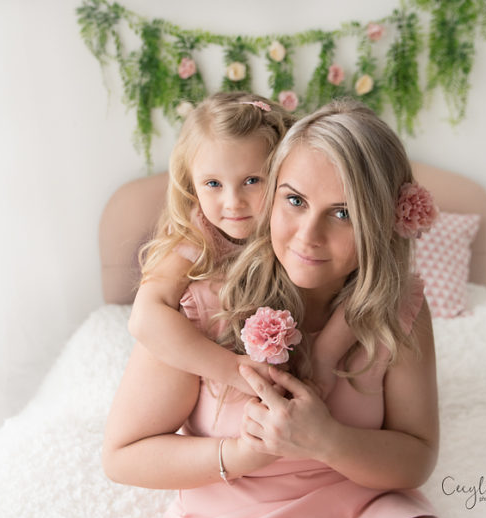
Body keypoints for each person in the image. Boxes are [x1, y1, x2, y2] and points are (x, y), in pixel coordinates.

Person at [103, 99, 456, 518]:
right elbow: (123, 457)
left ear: (383, 222)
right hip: (235, 517)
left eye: (343, 212)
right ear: (272, 195)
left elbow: (416, 458)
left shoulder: (398, 306)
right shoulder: (195, 302)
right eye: (295, 200)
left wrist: (327, 440)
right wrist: (240, 454)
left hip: (369, 507)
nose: (308, 235)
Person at [127, 91, 352, 395]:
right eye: (213, 184)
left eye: (251, 181)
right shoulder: (199, 235)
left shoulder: (299, 231)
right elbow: (144, 318)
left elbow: (358, 293)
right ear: (191, 183)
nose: (233, 203)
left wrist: (323, 361)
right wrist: (234, 371)